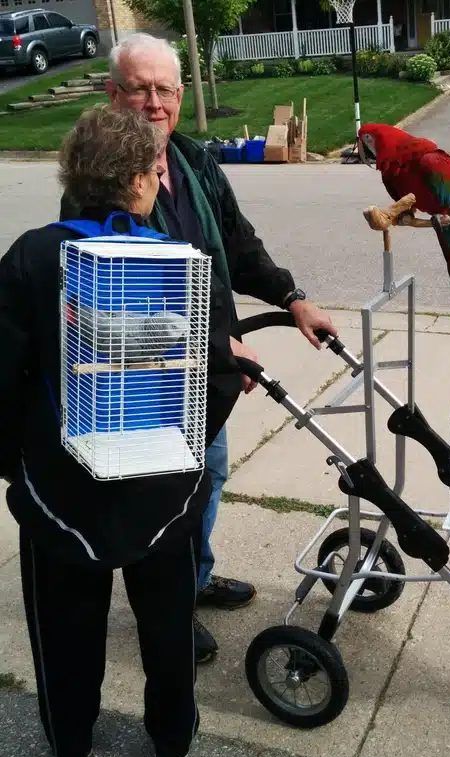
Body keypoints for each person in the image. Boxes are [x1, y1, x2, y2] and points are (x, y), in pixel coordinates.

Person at [59, 32, 338, 665]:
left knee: (207, 481)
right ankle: (166, 610)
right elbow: (114, 306)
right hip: (146, 385)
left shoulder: (192, 162)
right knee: (160, 497)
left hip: (209, 378)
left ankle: (193, 577)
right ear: (113, 93)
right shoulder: (97, 184)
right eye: (138, 88)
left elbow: (237, 246)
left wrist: (292, 297)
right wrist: (219, 349)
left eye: (164, 89)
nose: (152, 103)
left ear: (180, 97)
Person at [0, 104, 244, 757]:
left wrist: (17, 464)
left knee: (65, 632)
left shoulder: (30, 257)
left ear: (73, 177)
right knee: (168, 628)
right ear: (141, 181)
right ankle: (171, 743)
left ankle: (71, 744)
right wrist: (187, 447)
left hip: (60, 492)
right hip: (165, 491)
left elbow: (1, 376)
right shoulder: (184, 262)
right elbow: (220, 376)